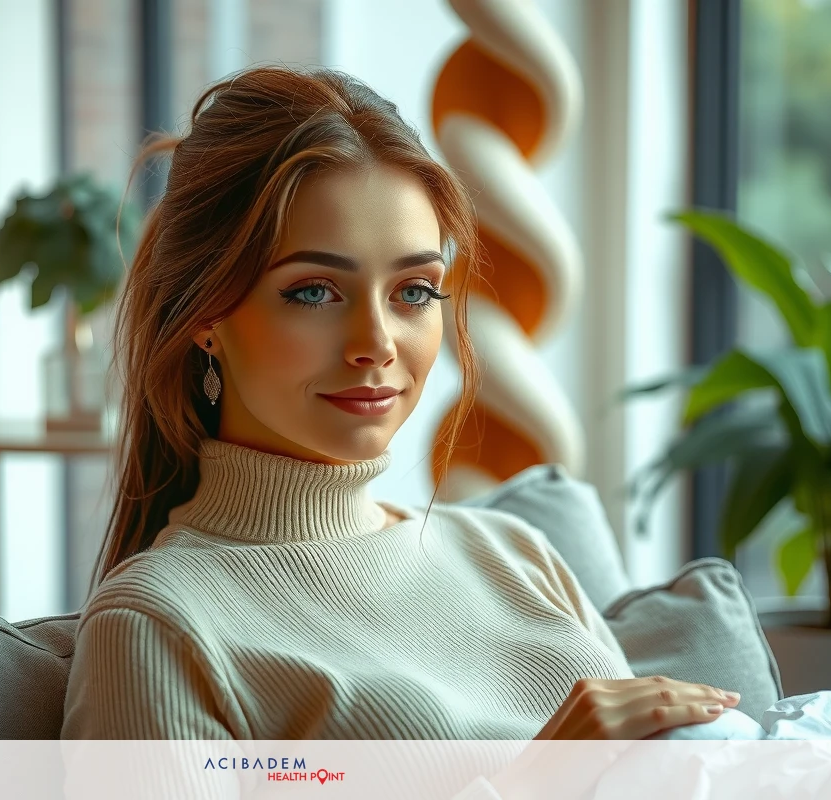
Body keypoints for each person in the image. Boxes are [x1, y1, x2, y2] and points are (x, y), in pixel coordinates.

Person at [61, 66, 742, 749]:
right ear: (206, 316)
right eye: (314, 291)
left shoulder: (515, 554)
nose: (377, 344)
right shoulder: (158, 625)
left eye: (414, 291)